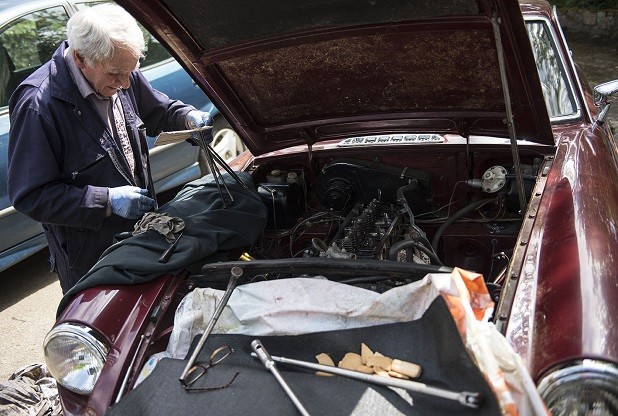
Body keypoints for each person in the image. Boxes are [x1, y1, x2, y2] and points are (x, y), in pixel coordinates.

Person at [7, 4, 212, 293]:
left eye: (131, 71)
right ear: (80, 58)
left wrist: (186, 117)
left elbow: (158, 111)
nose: (126, 83)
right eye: (116, 74)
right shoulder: (39, 105)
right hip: (92, 258)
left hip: (141, 235)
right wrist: (107, 201)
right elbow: (31, 196)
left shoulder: (120, 69)